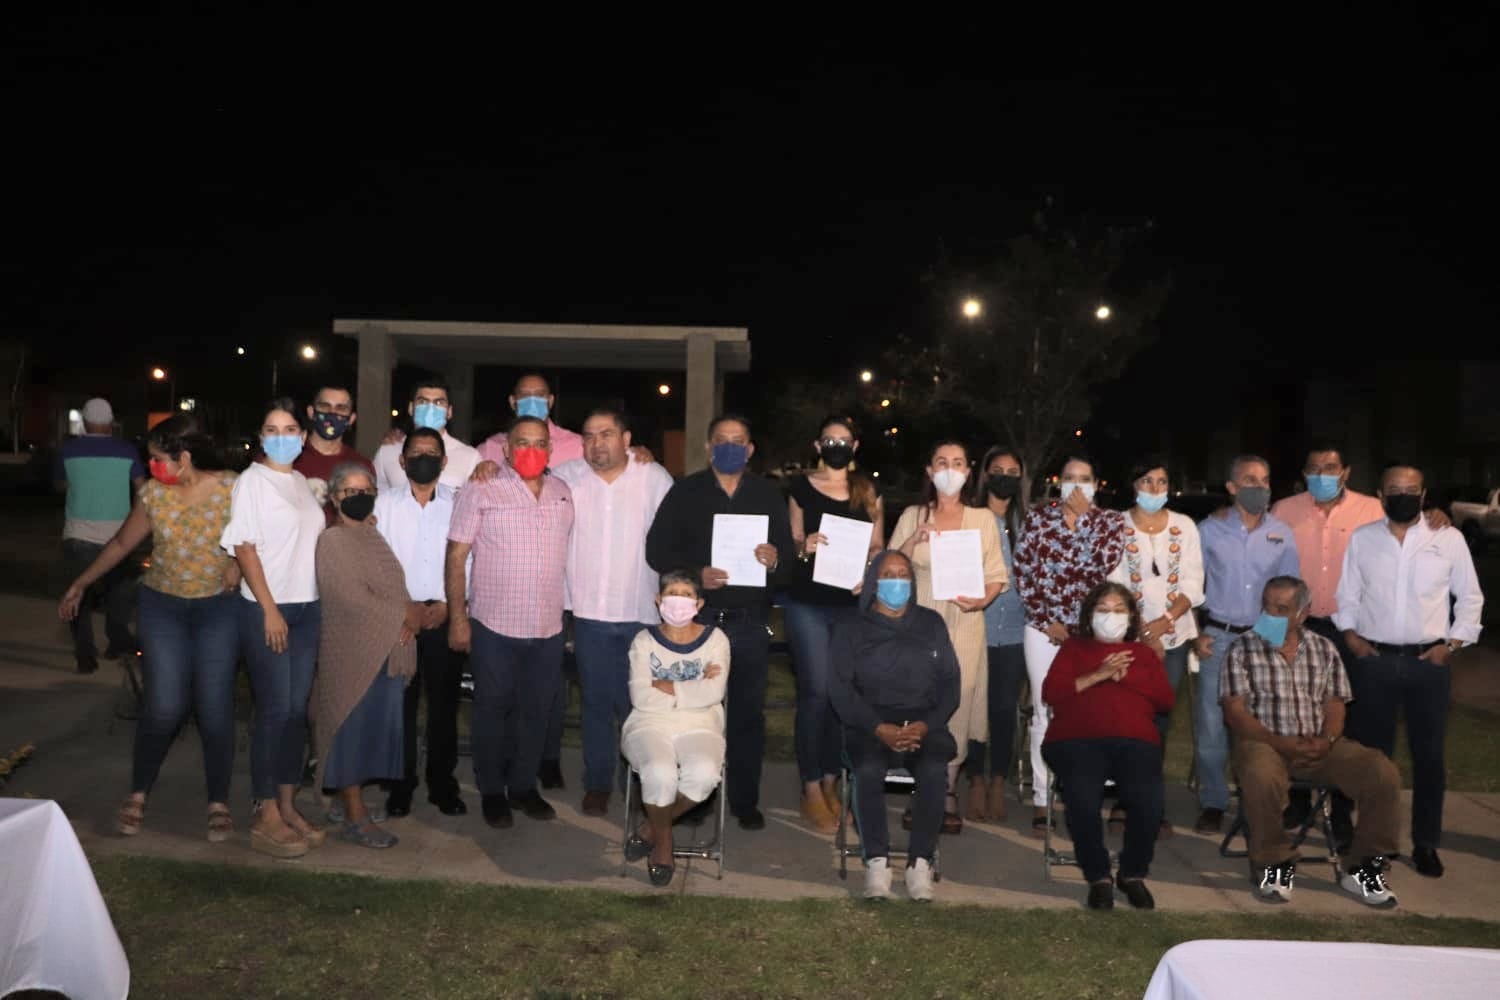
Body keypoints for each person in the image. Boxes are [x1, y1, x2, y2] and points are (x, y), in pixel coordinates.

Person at [58, 414, 240, 842]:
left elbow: (256, 537)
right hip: (163, 607)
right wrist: (81, 583)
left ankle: (218, 801)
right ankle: (138, 792)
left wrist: (236, 562)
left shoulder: (232, 488)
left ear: (185, 456)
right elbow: (123, 543)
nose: (151, 466)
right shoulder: (155, 494)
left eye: (158, 458)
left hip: (218, 609)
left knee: (215, 708)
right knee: (164, 706)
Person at [1270, 441, 1447, 836]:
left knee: (1352, 720)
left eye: (1331, 467)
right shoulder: (1284, 510)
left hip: (1354, 631)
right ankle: (1298, 801)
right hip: (1299, 627)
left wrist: (1436, 515)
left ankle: (1342, 807)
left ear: (1346, 472)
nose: (1322, 475)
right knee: (1298, 713)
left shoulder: (1372, 508)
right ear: (1304, 473)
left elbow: (1412, 527)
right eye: (1314, 468)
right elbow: (1266, 563)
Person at [1334, 462, 1484, 879]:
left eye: (1411, 489)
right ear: (1381, 496)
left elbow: (1470, 598)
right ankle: (1373, 843)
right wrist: (1351, 638)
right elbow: (1348, 594)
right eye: (1395, 490)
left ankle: (1426, 844)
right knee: (1372, 760)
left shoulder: (1447, 539)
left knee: (1429, 757)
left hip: (1427, 665)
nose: (1403, 496)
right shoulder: (1363, 539)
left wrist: (1451, 645)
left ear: (1423, 495)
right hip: (1375, 662)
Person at [645, 414, 795, 831]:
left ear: (750, 449)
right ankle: (692, 800)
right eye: (722, 440)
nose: (730, 446)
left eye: (738, 440)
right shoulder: (685, 492)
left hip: (749, 623)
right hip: (699, 623)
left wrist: (775, 560)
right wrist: (696, 575)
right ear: (709, 447)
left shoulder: (768, 495)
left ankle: (745, 800)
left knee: (747, 717)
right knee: (692, 713)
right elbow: (656, 551)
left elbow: (787, 567)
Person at [1223, 576, 1402, 908]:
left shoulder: (1324, 648)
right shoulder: (1242, 648)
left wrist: (1327, 739)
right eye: (1266, 606)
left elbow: (1335, 704)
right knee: (1261, 774)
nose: (1270, 615)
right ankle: (1274, 863)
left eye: (1281, 609)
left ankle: (1363, 867)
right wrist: (1280, 743)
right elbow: (1235, 713)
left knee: (1381, 772)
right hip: (1264, 742)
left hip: (1318, 742)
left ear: (1303, 613)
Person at [446, 416, 574, 829]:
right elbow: (456, 556)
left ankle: (522, 787)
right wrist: (458, 618)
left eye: (539, 443)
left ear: (550, 450)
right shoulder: (481, 488)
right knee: (492, 709)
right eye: (522, 443)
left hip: (547, 627)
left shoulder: (562, 491)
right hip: (494, 625)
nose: (531, 451)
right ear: (505, 449)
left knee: (536, 710)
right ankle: (491, 791)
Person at [552, 408, 674, 816]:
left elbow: (675, 536)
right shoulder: (566, 477)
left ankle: (638, 782)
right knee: (596, 703)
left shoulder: (653, 477)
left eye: (606, 434)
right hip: (588, 612)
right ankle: (598, 783)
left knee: (639, 704)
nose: (596, 443)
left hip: (641, 611)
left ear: (627, 440)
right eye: (588, 436)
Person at [220, 397, 328, 858]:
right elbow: (244, 548)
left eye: (289, 430)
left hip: (307, 607)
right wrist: (269, 609)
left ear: (301, 437)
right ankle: (264, 812)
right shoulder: (252, 482)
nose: (281, 437)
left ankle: (287, 804)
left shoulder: (300, 481)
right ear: (261, 437)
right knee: (274, 711)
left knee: (295, 711)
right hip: (270, 608)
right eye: (272, 429)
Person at [888, 439, 1007, 835]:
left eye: (958, 462)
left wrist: (981, 600)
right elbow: (889, 567)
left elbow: (996, 574)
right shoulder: (913, 515)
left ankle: (946, 789)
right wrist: (913, 541)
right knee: (918, 703)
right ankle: (922, 786)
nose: (950, 469)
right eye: (942, 462)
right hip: (918, 625)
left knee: (956, 705)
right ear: (929, 470)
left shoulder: (982, 519)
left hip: (964, 623)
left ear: (969, 472)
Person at [828, 550, 959, 902]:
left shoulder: (931, 623)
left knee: (933, 770)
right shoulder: (851, 627)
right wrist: (877, 727)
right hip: (868, 725)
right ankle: (877, 862)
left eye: (903, 574)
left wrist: (925, 725)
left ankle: (920, 863)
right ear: (874, 581)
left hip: (923, 725)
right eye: (888, 574)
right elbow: (839, 689)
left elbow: (951, 685)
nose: (897, 581)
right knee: (869, 769)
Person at [1013, 452, 1126, 837]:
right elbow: (1023, 573)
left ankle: (1081, 795)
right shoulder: (1038, 519)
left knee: (1089, 712)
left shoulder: (1110, 523)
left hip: (1091, 632)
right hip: (1043, 629)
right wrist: (1047, 620)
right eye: (1070, 478)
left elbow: (1102, 565)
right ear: (1058, 482)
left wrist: (1084, 520)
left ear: (1096, 484)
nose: (1077, 486)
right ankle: (1042, 799)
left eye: (1085, 479)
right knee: (1045, 711)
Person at [1041, 582, 1174, 910]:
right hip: (1076, 740)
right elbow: (1051, 693)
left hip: (1134, 741)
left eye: (1118, 610)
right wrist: (1099, 674)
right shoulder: (1074, 649)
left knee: (1148, 800)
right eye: (1102, 610)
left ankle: (1132, 873)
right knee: (1082, 798)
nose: (1110, 616)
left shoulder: (1143, 654)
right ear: (1089, 615)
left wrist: (1126, 676)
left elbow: (1165, 701)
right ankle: (1098, 875)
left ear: (1131, 618)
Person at [312, 464, 421, 849]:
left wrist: (406, 616)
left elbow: (393, 584)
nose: (359, 497)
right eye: (349, 491)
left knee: (371, 730)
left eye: (366, 490)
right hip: (352, 652)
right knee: (350, 730)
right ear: (334, 497)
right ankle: (356, 817)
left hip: (384, 647)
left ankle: (347, 803)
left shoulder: (371, 534)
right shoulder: (332, 541)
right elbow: (350, 598)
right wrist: (402, 616)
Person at [1190, 454, 1300, 834]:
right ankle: (1213, 802)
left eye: (1265, 480)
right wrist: (1197, 633)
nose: (1260, 486)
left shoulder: (1282, 533)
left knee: (1263, 724)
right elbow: (1192, 586)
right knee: (1212, 725)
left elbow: (1290, 592)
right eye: (1250, 480)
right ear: (1232, 487)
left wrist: (1280, 639)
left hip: (1264, 637)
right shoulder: (1209, 530)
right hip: (1218, 637)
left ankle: (1260, 801)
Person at [784, 414, 884, 833]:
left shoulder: (868, 491)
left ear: (855, 447)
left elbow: (878, 546)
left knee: (840, 696)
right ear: (818, 445)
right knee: (815, 691)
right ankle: (810, 787)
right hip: (807, 602)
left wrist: (869, 571)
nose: (837, 446)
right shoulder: (800, 488)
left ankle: (830, 782)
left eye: (844, 440)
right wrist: (803, 546)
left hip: (850, 604)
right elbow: (790, 542)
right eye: (830, 440)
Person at [373, 428, 470, 817]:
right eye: (416, 452)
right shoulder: (383, 505)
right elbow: (375, 562)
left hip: (446, 614)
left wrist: (449, 604)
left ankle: (442, 784)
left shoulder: (461, 503)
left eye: (432, 453)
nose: (424, 458)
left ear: (444, 462)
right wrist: (402, 607)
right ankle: (400, 784)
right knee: (400, 707)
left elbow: (470, 558)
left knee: (444, 707)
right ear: (402, 460)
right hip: (400, 618)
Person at [1105, 455, 1204, 837]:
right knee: (1127, 719)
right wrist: (1143, 633)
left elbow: (1193, 583)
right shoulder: (1115, 526)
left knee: (1159, 722)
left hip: (1173, 638)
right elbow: (1111, 582)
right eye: (1147, 481)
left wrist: (1164, 625)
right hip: (1126, 636)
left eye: (1161, 482)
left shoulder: (1184, 526)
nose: (1154, 489)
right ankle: (1123, 799)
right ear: (1134, 485)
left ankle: (1151, 805)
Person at [621, 570, 730, 886]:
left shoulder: (716, 639)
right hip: (648, 723)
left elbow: (714, 692)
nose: (678, 602)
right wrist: (694, 688)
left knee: (704, 774)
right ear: (658, 600)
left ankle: (651, 829)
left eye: (686, 595)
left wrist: (665, 685)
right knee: (659, 773)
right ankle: (664, 843)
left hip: (702, 725)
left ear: (699, 603)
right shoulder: (644, 641)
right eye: (672, 594)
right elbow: (641, 697)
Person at [54, 396, 146, 673]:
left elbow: (60, 485)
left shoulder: (68, 450)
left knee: (78, 594)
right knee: (119, 594)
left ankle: (85, 654)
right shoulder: (127, 450)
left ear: (84, 422)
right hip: (118, 536)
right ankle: (117, 642)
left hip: (78, 534)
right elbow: (142, 488)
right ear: (111, 423)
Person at [964, 447, 1027, 822]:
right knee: (973, 706)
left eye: (1013, 471)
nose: (1005, 477)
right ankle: (974, 779)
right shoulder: (969, 519)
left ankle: (998, 781)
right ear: (986, 475)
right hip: (976, 626)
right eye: (998, 470)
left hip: (1016, 630)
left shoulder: (1028, 522)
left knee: (1004, 708)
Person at [374, 378, 480, 492]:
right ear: (411, 408)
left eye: (438, 402)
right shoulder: (387, 452)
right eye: (423, 402)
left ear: (449, 412)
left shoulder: (470, 457)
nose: (430, 409)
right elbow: (376, 496)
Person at [294, 383, 375, 526]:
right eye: (325, 406)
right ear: (311, 412)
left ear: (351, 419)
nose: (332, 413)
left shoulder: (362, 465)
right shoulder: (288, 458)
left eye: (341, 408)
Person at [476, 372, 584, 468]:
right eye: (525, 395)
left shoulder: (577, 446)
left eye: (539, 395)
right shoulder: (489, 449)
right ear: (513, 402)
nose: (532, 401)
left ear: (550, 401)